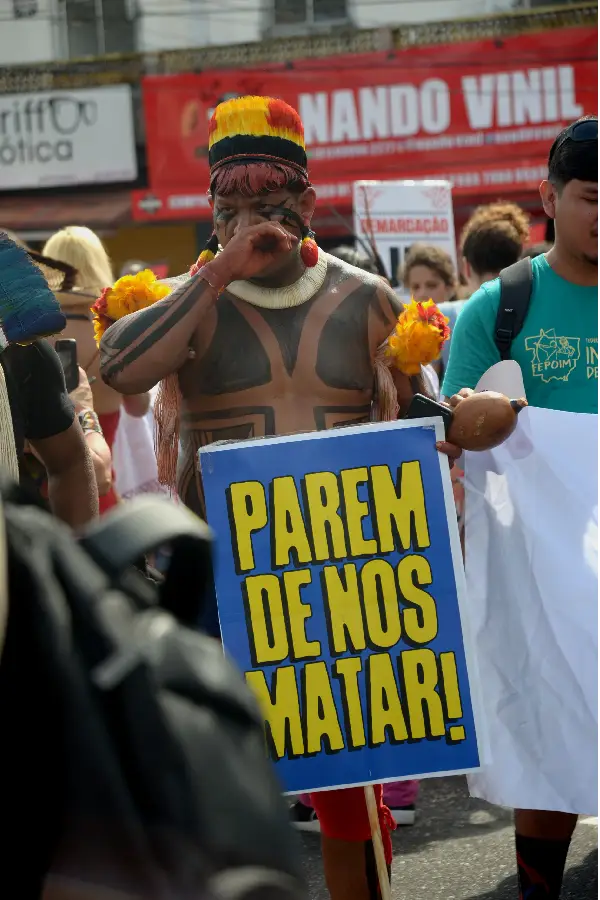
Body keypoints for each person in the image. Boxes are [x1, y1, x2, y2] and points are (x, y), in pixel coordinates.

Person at [98, 95, 462, 900]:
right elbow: (119, 369)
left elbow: (426, 415)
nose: (248, 223)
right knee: (217, 798)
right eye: (227, 209)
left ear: (304, 201)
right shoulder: (191, 299)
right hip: (223, 587)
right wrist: (218, 270)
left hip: (339, 580)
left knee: (345, 799)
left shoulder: (369, 299)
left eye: (268, 205)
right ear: (211, 213)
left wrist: (470, 423)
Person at [443, 115, 598, 899]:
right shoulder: (499, 307)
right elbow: (451, 422)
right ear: (550, 196)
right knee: (547, 736)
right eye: (592, 197)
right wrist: (469, 415)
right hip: (537, 569)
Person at [42, 226, 150, 512]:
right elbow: (139, 407)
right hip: (100, 491)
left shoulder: (28, 333)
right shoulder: (115, 330)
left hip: (41, 501)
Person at [1, 340, 99, 527]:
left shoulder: (19, 346)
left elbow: (72, 463)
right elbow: (98, 470)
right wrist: (86, 412)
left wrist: (72, 552)